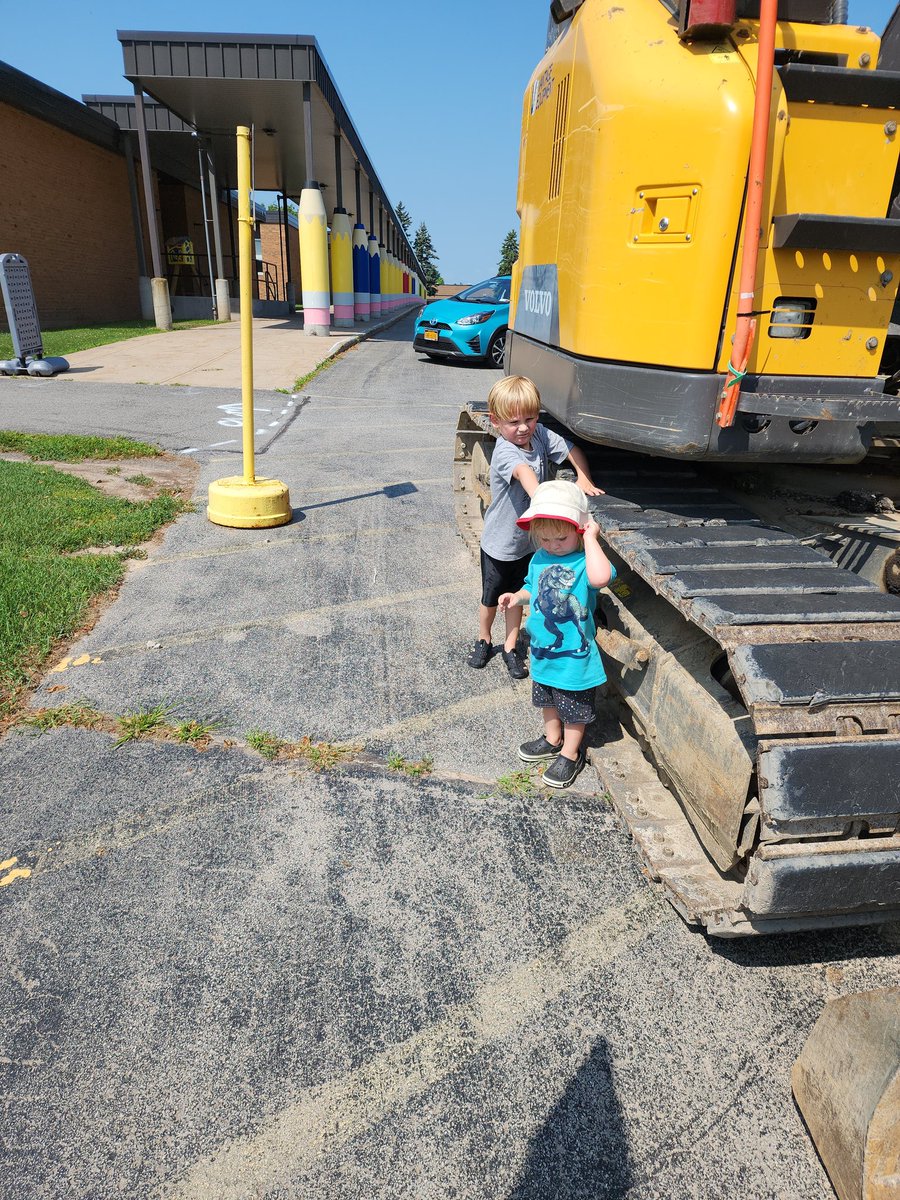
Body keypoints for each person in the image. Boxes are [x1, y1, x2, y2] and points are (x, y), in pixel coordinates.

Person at [467, 375, 603, 679]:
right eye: (514, 421)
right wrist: (562, 507)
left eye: (530, 418)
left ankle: (510, 645)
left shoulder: (539, 434)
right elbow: (527, 477)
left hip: (529, 545)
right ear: (496, 421)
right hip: (500, 545)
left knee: (518, 595)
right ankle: (484, 637)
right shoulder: (506, 451)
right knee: (491, 598)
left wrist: (583, 477)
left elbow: (571, 449)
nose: (524, 427)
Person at [498, 479, 615, 789]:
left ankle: (570, 752)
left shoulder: (584, 560)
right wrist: (516, 597)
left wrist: (591, 538)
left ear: (580, 528)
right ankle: (552, 738)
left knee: (574, 707)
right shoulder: (540, 558)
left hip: (575, 658)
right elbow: (530, 589)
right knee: (546, 698)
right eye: (545, 539)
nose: (553, 545)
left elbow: (601, 578)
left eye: (561, 538)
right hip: (543, 650)